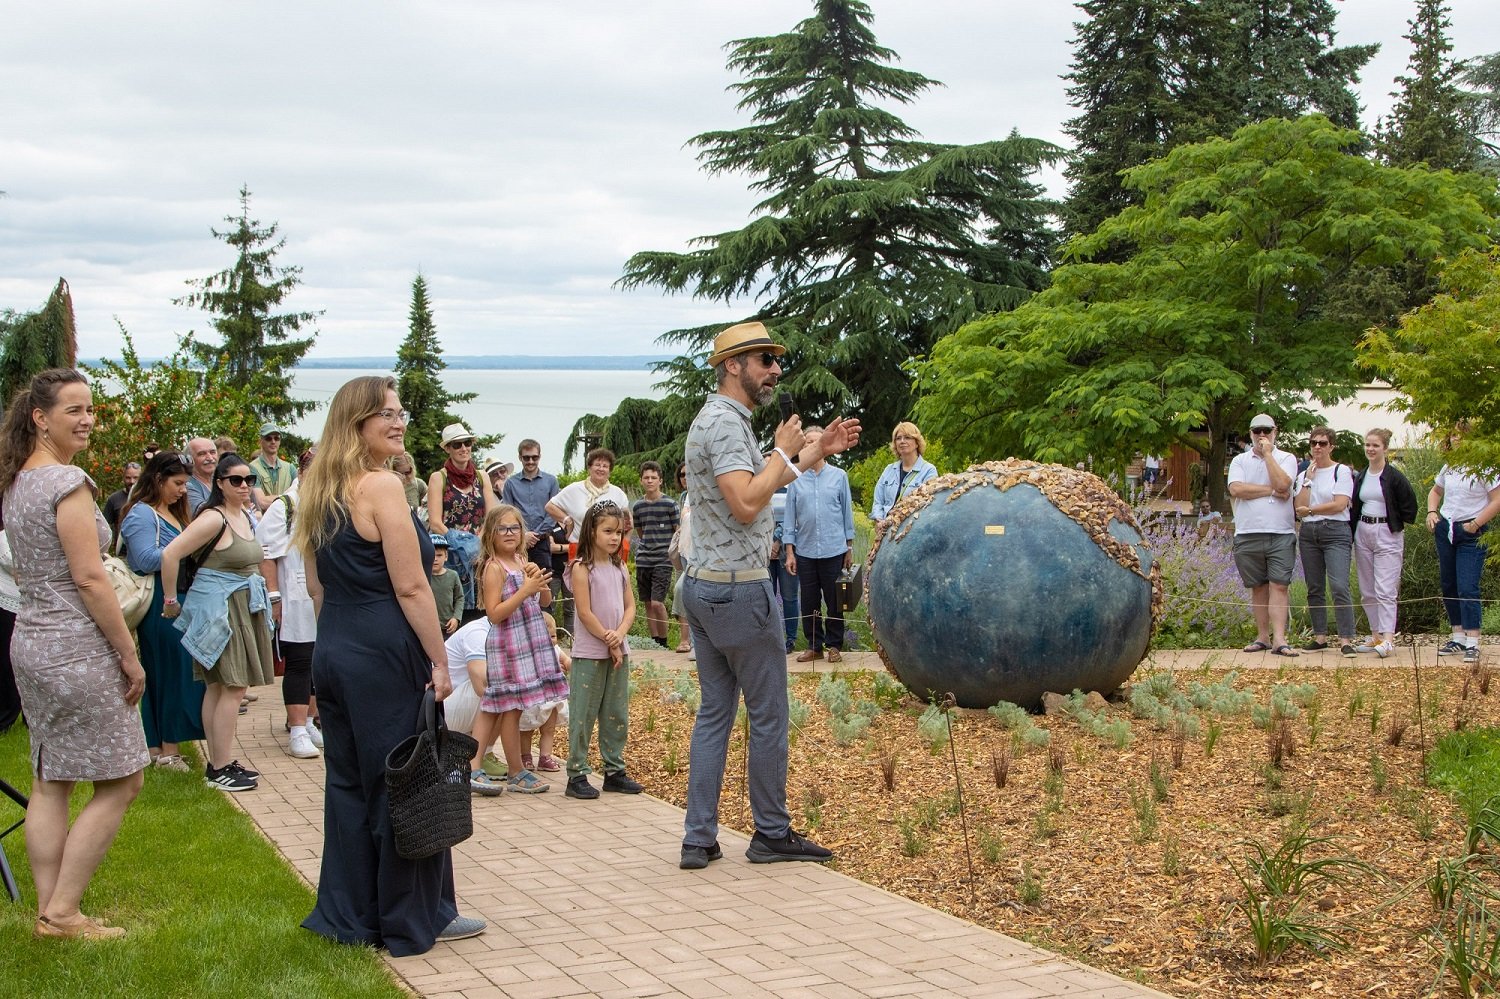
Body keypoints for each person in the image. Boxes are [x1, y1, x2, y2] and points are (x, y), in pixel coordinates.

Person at [297, 375, 484, 954]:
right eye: (386, 414)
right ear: (357, 422)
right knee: (408, 783)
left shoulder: (318, 487)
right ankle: (414, 915)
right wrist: (438, 660)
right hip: (383, 648)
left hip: (336, 647)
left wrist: (339, 642)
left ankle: (353, 914)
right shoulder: (379, 486)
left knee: (350, 783)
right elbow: (411, 587)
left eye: (400, 412)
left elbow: (315, 587)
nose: (399, 421)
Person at [678, 321, 860, 870]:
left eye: (775, 360)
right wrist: (783, 453)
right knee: (769, 717)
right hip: (739, 593)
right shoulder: (728, 426)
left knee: (714, 714)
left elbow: (759, 484)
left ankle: (698, 839)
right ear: (732, 365)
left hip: (702, 588)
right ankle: (771, 833)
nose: (775, 369)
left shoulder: (715, 420)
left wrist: (811, 455)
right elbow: (745, 502)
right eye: (764, 360)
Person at [0, 368, 147, 940]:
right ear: (40, 417)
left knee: (50, 780)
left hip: (30, 640)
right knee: (123, 780)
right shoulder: (67, 482)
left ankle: (49, 910)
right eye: (73, 411)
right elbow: (90, 577)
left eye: (90, 409)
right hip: (75, 646)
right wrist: (128, 653)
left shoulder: (16, 482)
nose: (86, 419)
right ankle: (62, 912)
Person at [160, 454, 274, 792]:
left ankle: (218, 761)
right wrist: (170, 601)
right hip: (221, 612)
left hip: (241, 607)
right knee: (232, 686)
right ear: (220, 483)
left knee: (220, 686)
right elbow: (170, 554)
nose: (244, 486)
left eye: (249, 480)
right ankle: (220, 767)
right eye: (236, 480)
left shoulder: (244, 516)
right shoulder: (214, 518)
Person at [467, 503, 566, 795]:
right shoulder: (493, 567)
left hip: (527, 643)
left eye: (515, 528)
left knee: (513, 707)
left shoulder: (522, 560)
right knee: (500, 706)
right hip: (507, 644)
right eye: (503, 528)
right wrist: (524, 590)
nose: (510, 533)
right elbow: (494, 613)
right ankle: (487, 768)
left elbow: (544, 601)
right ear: (491, 535)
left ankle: (512, 770)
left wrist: (537, 580)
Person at [119, 452, 206, 770]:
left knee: (169, 673)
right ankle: (168, 749)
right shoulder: (141, 514)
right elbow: (142, 559)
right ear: (157, 479)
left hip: (177, 597)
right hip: (159, 602)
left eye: (185, 484)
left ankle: (157, 748)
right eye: (178, 483)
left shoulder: (172, 513)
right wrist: (184, 547)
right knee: (171, 673)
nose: (183, 490)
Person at [566, 501, 640, 800]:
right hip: (589, 652)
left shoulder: (620, 566)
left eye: (619, 533)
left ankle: (614, 770)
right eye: (607, 531)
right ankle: (577, 773)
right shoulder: (582, 568)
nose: (614, 538)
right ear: (591, 531)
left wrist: (620, 635)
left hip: (617, 649)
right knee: (583, 713)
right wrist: (610, 640)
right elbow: (584, 612)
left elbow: (630, 606)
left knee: (615, 711)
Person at [256, 449, 324, 760]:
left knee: (315, 662)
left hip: (319, 593)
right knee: (299, 660)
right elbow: (266, 554)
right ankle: (296, 729)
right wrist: (275, 598)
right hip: (294, 593)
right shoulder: (285, 506)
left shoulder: (322, 503)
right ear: (302, 470)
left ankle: (310, 721)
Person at [1227, 413, 1299, 657]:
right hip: (1248, 532)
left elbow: (1283, 485)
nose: (1261, 435)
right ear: (1250, 433)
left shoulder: (1286, 458)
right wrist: (1269, 490)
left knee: (1279, 585)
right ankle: (1262, 637)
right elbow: (1237, 489)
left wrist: (1268, 454)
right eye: (1257, 430)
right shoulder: (1240, 461)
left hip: (1280, 533)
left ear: (1274, 432)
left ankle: (1280, 639)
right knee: (1258, 587)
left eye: (1266, 430)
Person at [784, 426, 856, 664]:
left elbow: (847, 514)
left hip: (834, 549)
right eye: (807, 443)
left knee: (835, 600)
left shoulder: (839, 476)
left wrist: (849, 547)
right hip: (805, 551)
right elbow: (789, 518)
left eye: (815, 442)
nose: (810, 447)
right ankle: (815, 645)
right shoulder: (795, 479)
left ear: (824, 447)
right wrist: (789, 551)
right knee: (809, 600)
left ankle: (834, 645)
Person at [1427, 433, 1500, 665]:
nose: (1457, 439)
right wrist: (1431, 511)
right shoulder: (1449, 466)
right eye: (1454, 435)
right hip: (1447, 528)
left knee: (1468, 586)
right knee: (1449, 583)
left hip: (1471, 530)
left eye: (1461, 434)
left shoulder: (1484, 467)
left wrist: (1476, 523)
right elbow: (1436, 491)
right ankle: (1457, 635)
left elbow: (1497, 498)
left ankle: (1473, 641)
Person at [1349, 428, 1419, 658]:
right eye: (1367, 445)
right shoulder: (1361, 476)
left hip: (1387, 532)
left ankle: (1388, 638)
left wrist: (1394, 521)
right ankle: (1376, 635)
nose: (1370, 449)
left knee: (1385, 589)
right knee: (1367, 589)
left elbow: (1410, 506)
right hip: (1364, 530)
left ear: (1385, 449)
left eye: (1375, 446)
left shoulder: (1394, 477)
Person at [1293, 426, 1356, 656]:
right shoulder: (1303, 475)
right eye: (1313, 443)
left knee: (1339, 585)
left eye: (1322, 443)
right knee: (1315, 586)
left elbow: (1339, 504)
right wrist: (1308, 482)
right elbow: (1299, 507)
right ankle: (1320, 637)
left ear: (1331, 446)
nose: (1317, 447)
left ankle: (1346, 638)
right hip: (1310, 533)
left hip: (1336, 530)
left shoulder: (1341, 471)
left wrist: (1311, 509)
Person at [426, 422, 496, 616]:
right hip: (452, 554)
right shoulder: (438, 478)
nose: (463, 448)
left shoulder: (482, 477)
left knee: (483, 608)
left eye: (466, 443)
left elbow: (491, 516)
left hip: (480, 551)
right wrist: (464, 547)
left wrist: (479, 545)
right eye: (457, 444)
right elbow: (435, 522)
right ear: (448, 448)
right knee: (453, 610)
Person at [631, 460, 679, 649]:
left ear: (660, 480)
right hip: (644, 559)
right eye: (646, 477)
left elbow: (678, 531)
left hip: (663, 560)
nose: (649, 481)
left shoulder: (670, 504)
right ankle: (654, 642)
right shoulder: (638, 506)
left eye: (653, 478)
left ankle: (665, 641)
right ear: (641, 480)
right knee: (648, 603)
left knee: (658, 603)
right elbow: (640, 532)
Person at [546, 447, 631, 543]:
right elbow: (550, 506)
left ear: (610, 471)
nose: (601, 469)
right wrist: (567, 520)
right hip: (579, 548)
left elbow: (628, 525)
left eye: (605, 466)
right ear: (589, 468)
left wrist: (623, 547)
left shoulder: (618, 493)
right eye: (597, 465)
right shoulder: (574, 489)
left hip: (608, 551)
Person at [520, 612, 570, 775]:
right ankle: (525, 756)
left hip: (552, 697)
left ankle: (545, 756)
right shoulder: (528, 652)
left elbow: (566, 660)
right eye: (546, 636)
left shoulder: (556, 649)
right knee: (526, 728)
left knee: (548, 729)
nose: (550, 640)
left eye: (554, 636)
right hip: (532, 698)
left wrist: (571, 664)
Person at [501, 438, 559, 571]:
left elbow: (554, 513)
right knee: (518, 581)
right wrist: (523, 535)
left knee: (543, 584)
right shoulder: (510, 483)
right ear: (520, 457)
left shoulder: (551, 481)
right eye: (526, 458)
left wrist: (535, 535)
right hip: (517, 542)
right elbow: (507, 514)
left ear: (540, 456)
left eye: (534, 457)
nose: (531, 461)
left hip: (543, 542)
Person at [870, 422, 937, 533]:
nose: (902, 441)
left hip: (911, 532)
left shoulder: (929, 471)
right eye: (898, 438)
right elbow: (878, 501)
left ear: (917, 443)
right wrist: (879, 521)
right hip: (885, 532)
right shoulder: (889, 470)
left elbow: (927, 506)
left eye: (907, 437)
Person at [769, 487, 800, 653]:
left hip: (788, 549)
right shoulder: (760, 486)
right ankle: (771, 638)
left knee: (789, 596)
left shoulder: (792, 487)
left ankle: (791, 639)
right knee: (767, 597)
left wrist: (777, 540)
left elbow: (794, 517)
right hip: (763, 550)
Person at [672, 464, 695, 657]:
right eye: (682, 475)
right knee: (687, 594)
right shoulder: (683, 497)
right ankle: (689, 641)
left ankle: (694, 642)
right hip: (686, 552)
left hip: (702, 553)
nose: (686, 477)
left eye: (689, 473)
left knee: (683, 590)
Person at [0, 529, 21, 732]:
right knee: (7, 663)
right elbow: (8, 559)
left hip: (26, 603)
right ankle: (5, 717)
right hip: (7, 602)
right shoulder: (3, 536)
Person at [249, 422, 297, 508]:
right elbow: (261, 502)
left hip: (287, 519)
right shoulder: (252, 468)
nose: (273, 441)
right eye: (268, 438)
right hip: (263, 519)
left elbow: (300, 494)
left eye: (276, 438)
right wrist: (288, 498)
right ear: (260, 441)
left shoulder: (290, 468)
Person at [428, 534, 463, 636]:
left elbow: (460, 598)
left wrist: (456, 618)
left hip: (447, 627)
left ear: (446, 556)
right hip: (428, 627)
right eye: (431, 555)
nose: (435, 559)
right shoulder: (423, 577)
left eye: (439, 555)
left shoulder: (453, 576)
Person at [102, 461, 141, 546]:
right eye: (128, 478)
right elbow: (104, 527)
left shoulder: (148, 498)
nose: (132, 481)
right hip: (122, 552)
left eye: (135, 478)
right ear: (123, 478)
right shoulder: (114, 499)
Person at [184, 437, 218, 514]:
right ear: (189, 459)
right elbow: (204, 513)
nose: (210, 458)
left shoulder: (220, 480)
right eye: (202, 454)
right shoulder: (187, 485)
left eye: (212, 452)